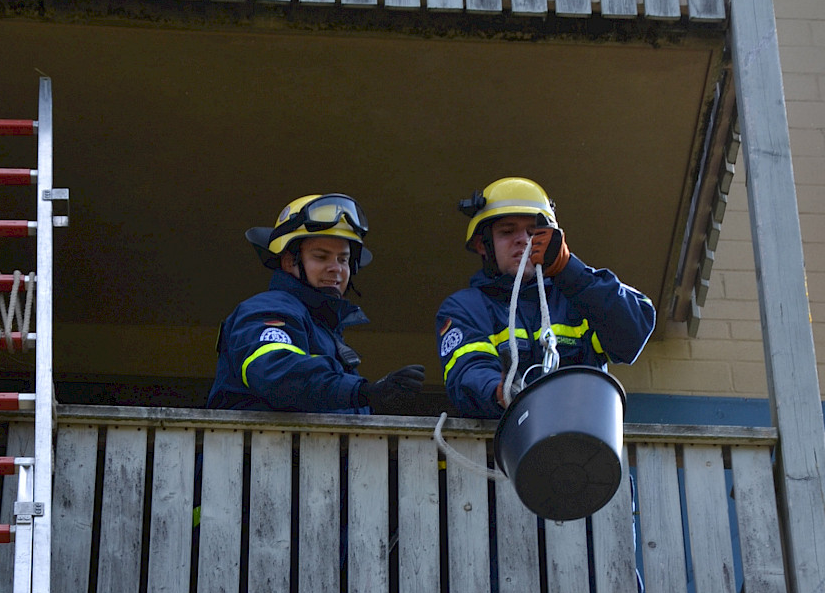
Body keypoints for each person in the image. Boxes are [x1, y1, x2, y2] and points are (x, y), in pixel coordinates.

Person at [436, 177, 655, 416]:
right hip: (508, 446)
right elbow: (469, 370)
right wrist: (499, 392)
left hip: (583, 443)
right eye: (507, 232)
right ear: (482, 245)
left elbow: (633, 332)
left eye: (533, 231)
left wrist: (568, 269)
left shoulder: (579, 296)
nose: (522, 239)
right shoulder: (465, 308)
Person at [209, 194, 424, 414]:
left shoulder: (323, 329)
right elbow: (276, 374)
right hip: (261, 449)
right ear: (288, 261)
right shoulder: (267, 309)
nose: (336, 268)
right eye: (321, 257)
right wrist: (362, 392)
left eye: (343, 259)